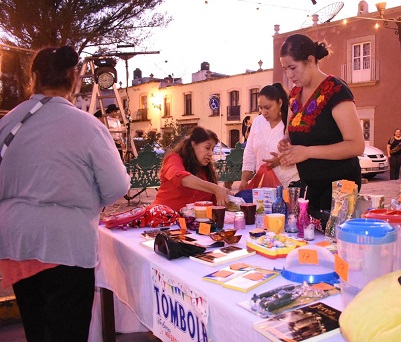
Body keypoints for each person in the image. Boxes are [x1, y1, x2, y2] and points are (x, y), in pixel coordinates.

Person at [0, 46, 130, 341]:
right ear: (74, 80)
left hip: (15, 244)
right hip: (65, 246)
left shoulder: (8, 122)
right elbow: (116, 187)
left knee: (37, 329)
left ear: (33, 78)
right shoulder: (87, 125)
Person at [277, 33, 365, 213]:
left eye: (293, 67)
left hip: (340, 187)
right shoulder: (294, 94)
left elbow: (356, 146)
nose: (289, 75)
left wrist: (307, 152)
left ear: (310, 60)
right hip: (311, 185)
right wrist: (286, 142)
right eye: (285, 69)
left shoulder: (336, 90)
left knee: (330, 238)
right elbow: (291, 131)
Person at [153, 126, 230, 211]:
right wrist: (216, 189)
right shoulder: (173, 159)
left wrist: (228, 199)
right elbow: (180, 177)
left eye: (212, 149)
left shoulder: (207, 172)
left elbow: (213, 203)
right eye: (207, 148)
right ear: (193, 144)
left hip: (192, 222)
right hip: (161, 218)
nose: (210, 153)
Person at [239, 83, 300, 191]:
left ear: (280, 103)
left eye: (267, 107)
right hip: (263, 185)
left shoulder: (292, 122)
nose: (264, 112)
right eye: (261, 108)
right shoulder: (258, 122)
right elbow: (249, 152)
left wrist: (281, 160)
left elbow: (301, 151)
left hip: (289, 185)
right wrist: (244, 180)